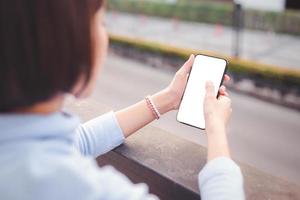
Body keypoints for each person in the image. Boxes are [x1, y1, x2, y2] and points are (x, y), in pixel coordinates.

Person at [0, 0, 244, 199]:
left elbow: (78, 141)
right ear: (67, 41)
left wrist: (168, 99)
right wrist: (216, 130)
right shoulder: (82, 189)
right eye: (100, 23)